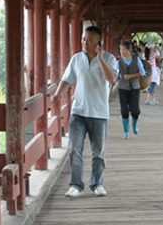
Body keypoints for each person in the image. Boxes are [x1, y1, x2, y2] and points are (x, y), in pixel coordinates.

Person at [48, 26, 118, 197]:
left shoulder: (109, 58)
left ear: (98, 43)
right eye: (83, 39)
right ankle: (76, 185)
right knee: (74, 149)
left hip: (99, 113)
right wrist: (57, 95)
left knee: (98, 152)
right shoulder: (76, 59)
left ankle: (97, 184)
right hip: (78, 112)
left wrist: (100, 59)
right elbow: (67, 79)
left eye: (89, 40)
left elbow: (112, 79)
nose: (85, 42)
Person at [117, 39, 146, 139]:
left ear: (129, 50)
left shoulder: (136, 59)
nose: (122, 52)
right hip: (122, 88)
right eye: (120, 50)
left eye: (124, 49)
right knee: (124, 111)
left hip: (135, 88)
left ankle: (134, 125)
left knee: (135, 111)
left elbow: (143, 72)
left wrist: (131, 76)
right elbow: (115, 73)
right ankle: (126, 132)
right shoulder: (119, 62)